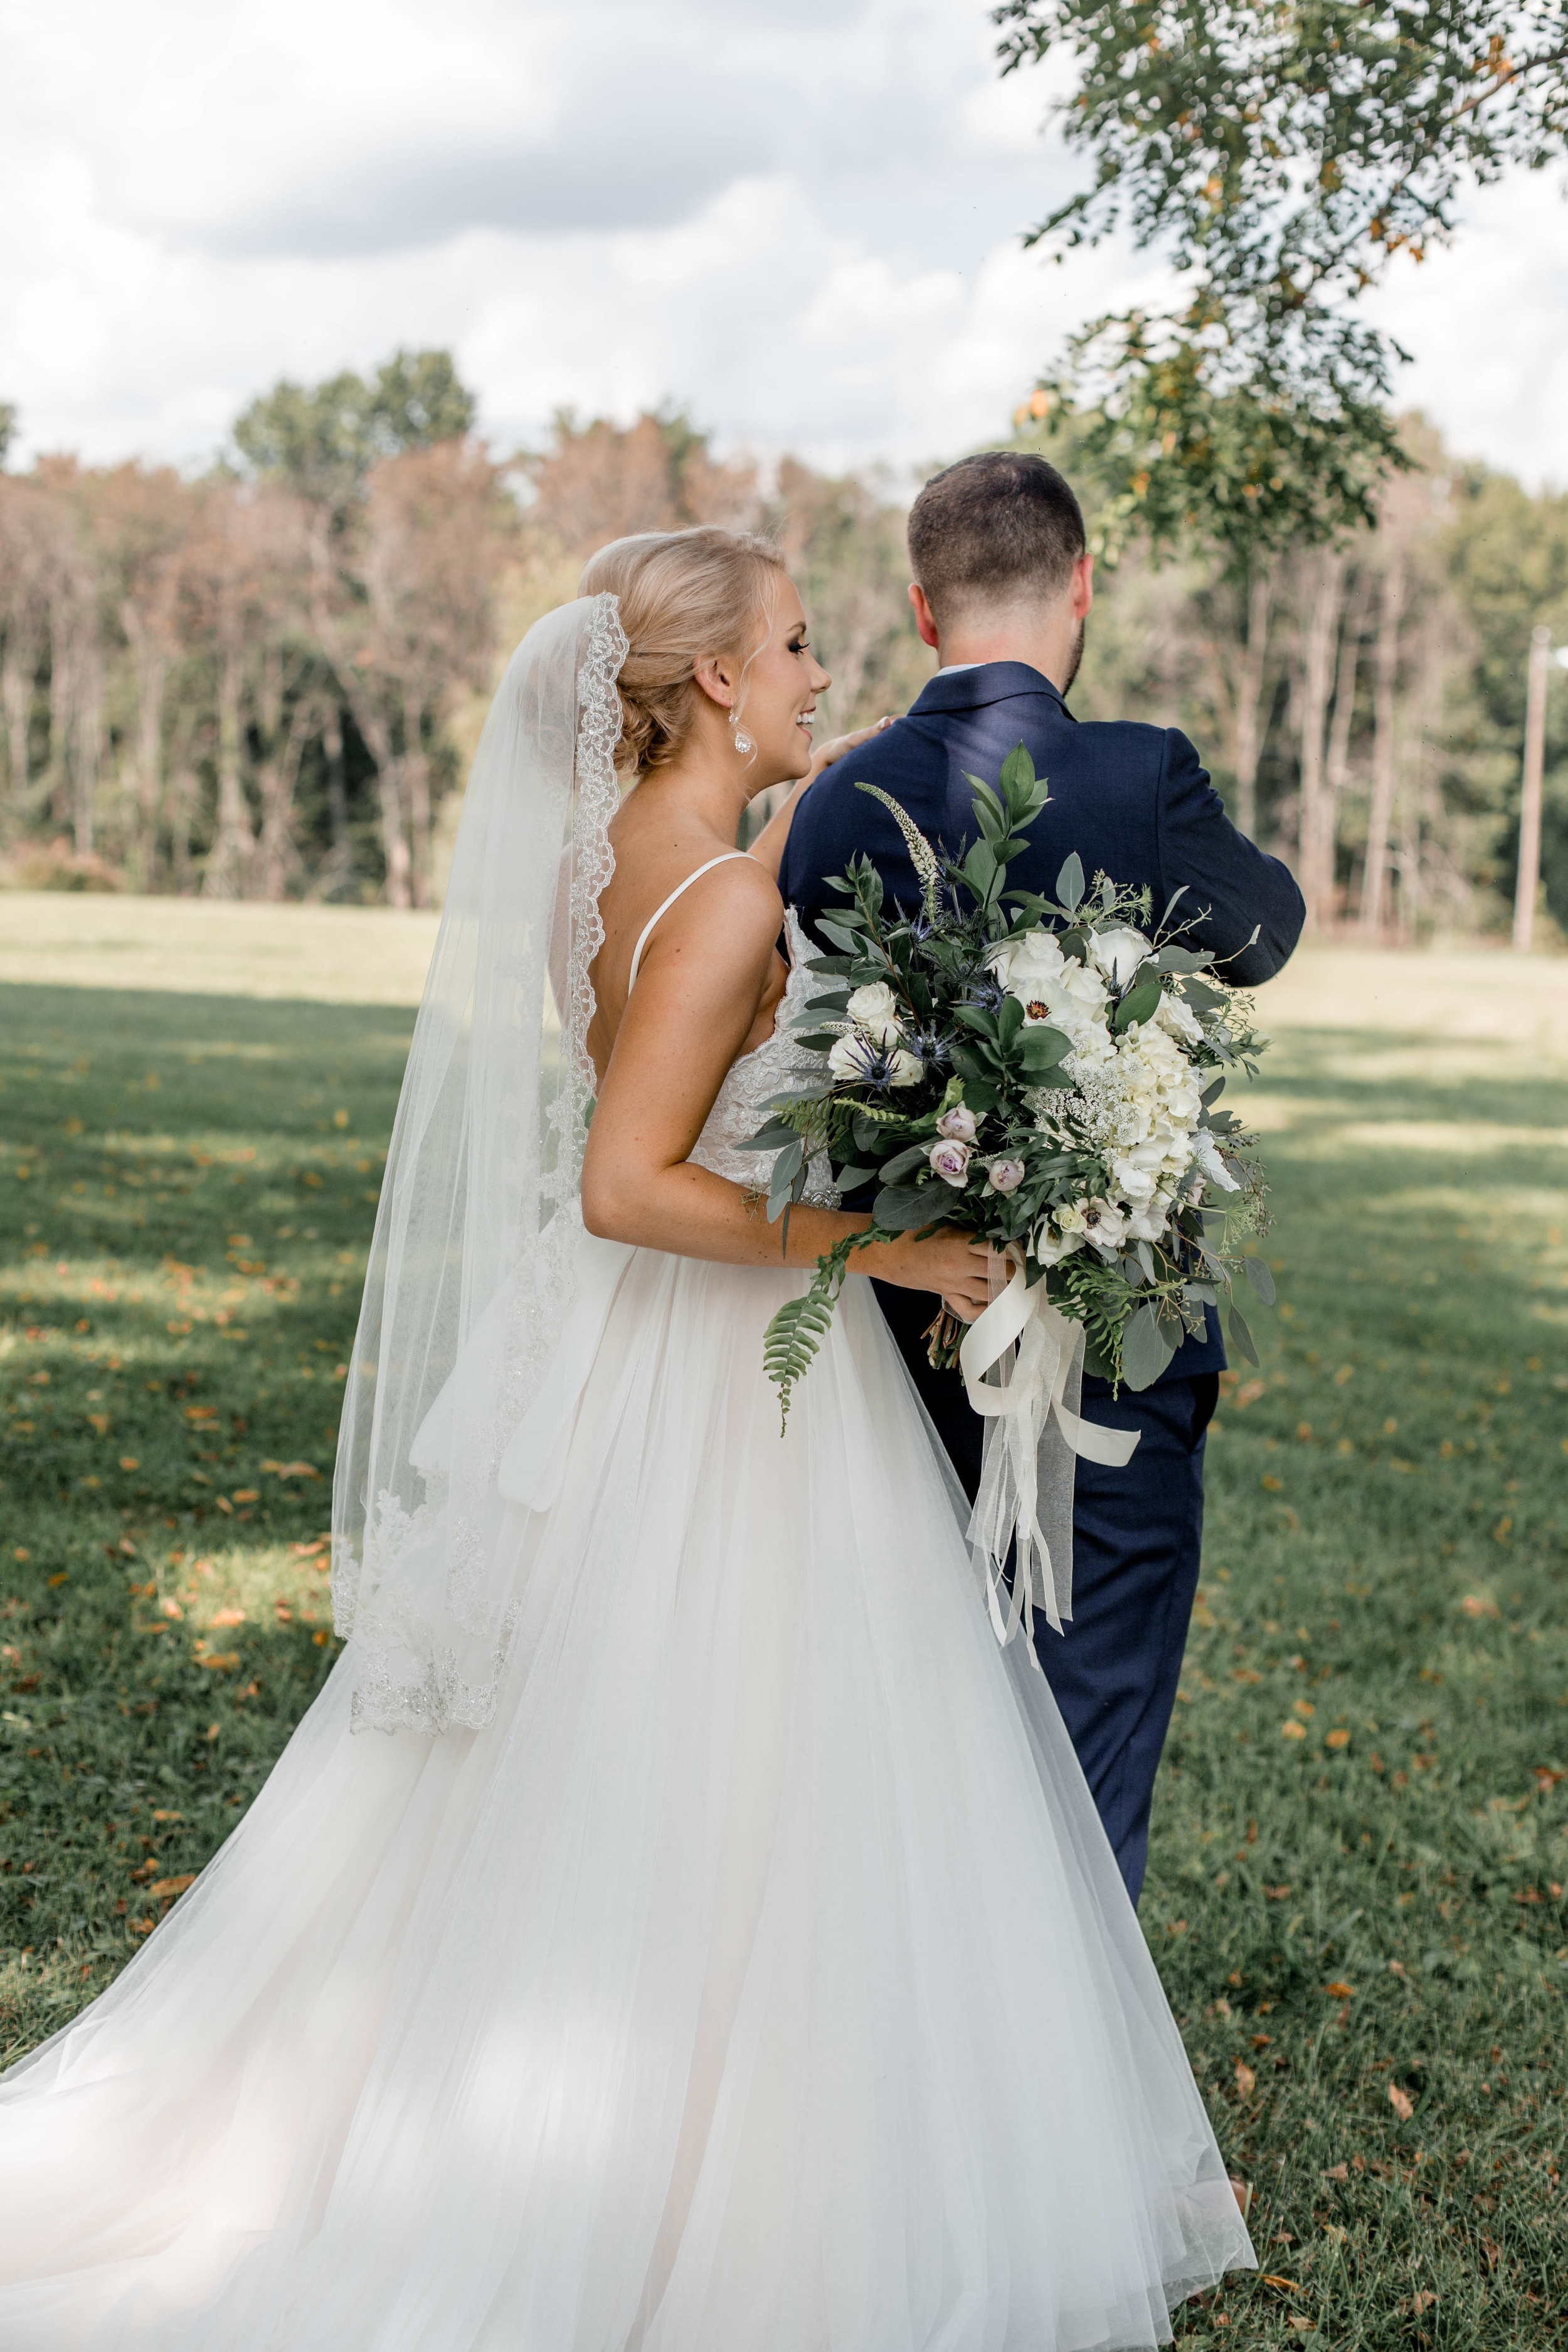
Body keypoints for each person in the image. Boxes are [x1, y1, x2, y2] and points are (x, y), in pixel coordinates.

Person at [0, 527, 1253, 2349]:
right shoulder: (728, 894)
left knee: (644, 1755)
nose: (826, 676)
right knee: (733, 1751)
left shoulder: (628, 869)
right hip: (708, 1372)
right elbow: (621, 1184)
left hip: (648, 1365)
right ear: (720, 681)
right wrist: (888, 1237)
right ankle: (684, 2187)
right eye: (802, 645)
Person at [778, 453, 1305, 1904]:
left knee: (910, 1722)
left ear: (919, 604)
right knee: (1092, 1732)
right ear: (1081, 584)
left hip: (900, 1340)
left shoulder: (836, 801)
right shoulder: (1140, 774)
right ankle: (1073, 2088)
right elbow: (1264, 933)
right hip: (1115, 1338)